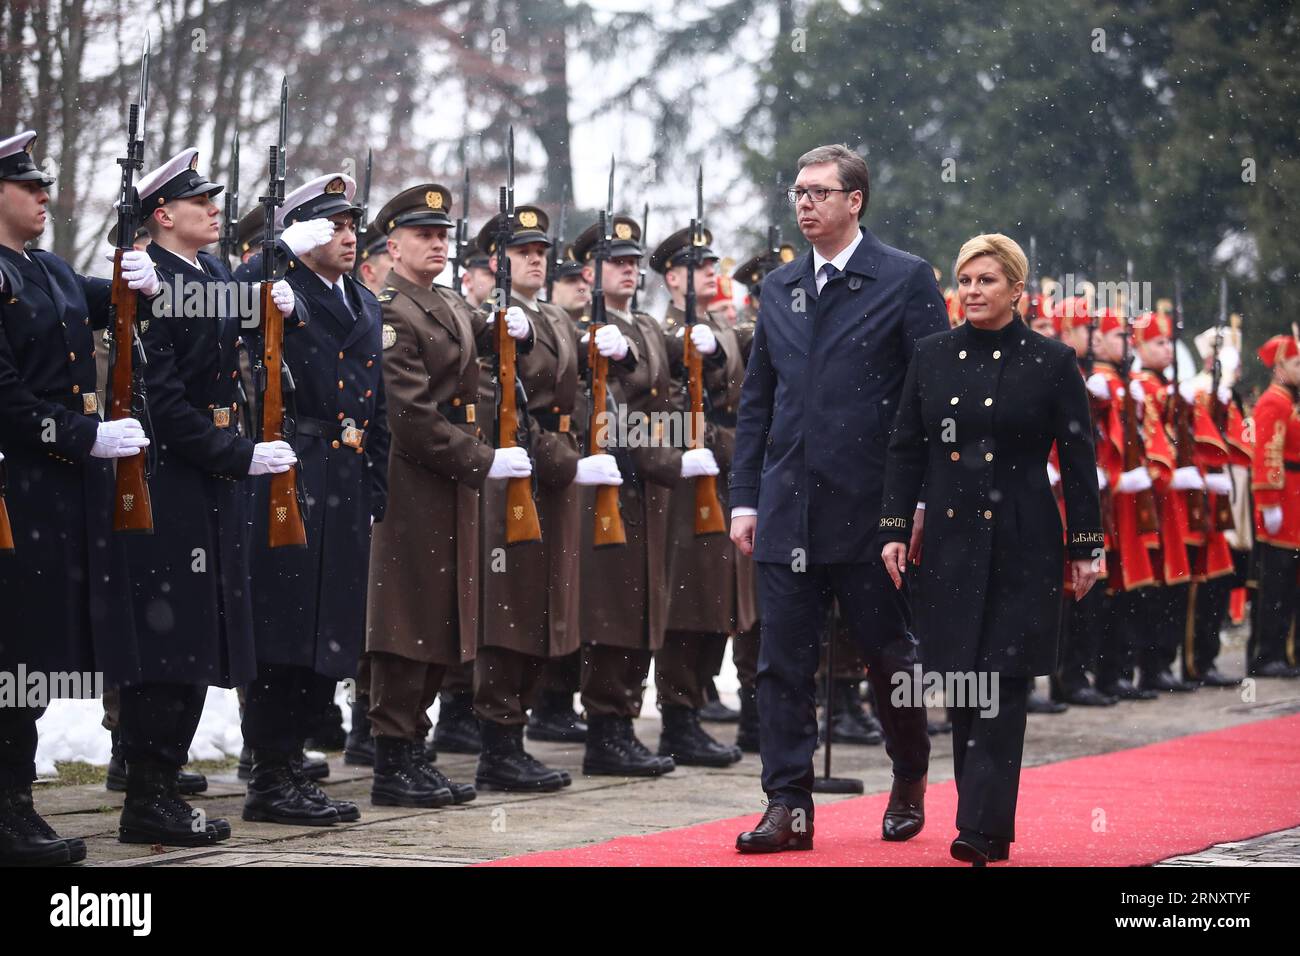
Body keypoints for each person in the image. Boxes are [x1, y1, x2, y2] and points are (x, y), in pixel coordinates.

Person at [730, 144, 943, 853]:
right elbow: (758, 401)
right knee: (780, 662)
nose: (804, 203)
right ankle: (787, 803)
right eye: (798, 192)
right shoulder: (781, 287)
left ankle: (909, 772)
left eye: (820, 192)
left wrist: (917, 504)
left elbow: (931, 402)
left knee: (890, 658)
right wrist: (745, 500)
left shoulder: (905, 279)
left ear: (856, 201)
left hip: (872, 510)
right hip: (789, 505)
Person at [879, 233, 1103, 865]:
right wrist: (895, 526)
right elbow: (905, 449)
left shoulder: (1052, 361)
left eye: (987, 280)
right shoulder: (931, 356)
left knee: (1002, 684)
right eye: (966, 280)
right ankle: (984, 823)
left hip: (1023, 541)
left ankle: (979, 827)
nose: (973, 291)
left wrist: (1087, 545)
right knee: (962, 682)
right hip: (949, 544)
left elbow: (1079, 459)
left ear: (1016, 289)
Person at [0, 131, 148, 864]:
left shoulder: (48, 269)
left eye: (45, 184)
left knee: (34, 651)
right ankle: (7, 806)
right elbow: (4, 396)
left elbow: (120, 304)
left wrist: (152, 280)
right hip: (13, 490)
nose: (44, 196)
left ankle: (15, 802)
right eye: (28, 186)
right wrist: (82, 434)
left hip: (53, 495)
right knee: (12, 652)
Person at [365, 182, 531, 807]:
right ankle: (393, 756)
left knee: (442, 616)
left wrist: (512, 328)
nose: (437, 243)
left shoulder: (445, 301)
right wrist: (484, 460)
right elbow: (409, 415)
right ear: (394, 244)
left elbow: (475, 341)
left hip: (448, 483)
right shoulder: (389, 308)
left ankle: (415, 749)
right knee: (407, 618)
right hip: (412, 483)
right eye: (423, 235)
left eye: (442, 235)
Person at [233, 171, 389, 826]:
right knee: (284, 629)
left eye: (354, 225)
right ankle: (269, 774)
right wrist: (272, 255)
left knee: (331, 630)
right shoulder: (274, 287)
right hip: (292, 475)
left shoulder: (364, 300)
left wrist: (376, 479)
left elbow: (379, 403)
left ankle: (293, 765)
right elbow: (217, 307)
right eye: (335, 225)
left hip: (346, 481)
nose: (349, 237)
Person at [471, 202, 624, 790]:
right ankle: (499, 743)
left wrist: (590, 449)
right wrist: (566, 460)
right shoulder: (489, 319)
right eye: (521, 253)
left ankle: (517, 731)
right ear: (496, 261)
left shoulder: (556, 320)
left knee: (545, 609)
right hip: (514, 477)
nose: (535, 260)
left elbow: (580, 395)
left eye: (540, 252)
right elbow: (500, 406)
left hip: (554, 480)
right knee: (508, 611)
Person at [649, 224, 750, 767]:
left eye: (713, 264)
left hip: (722, 474)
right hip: (687, 480)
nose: (712, 272)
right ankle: (678, 719)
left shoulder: (716, 328)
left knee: (720, 602)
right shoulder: (663, 331)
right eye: (698, 266)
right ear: (671, 277)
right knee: (687, 604)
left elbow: (737, 393)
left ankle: (695, 706)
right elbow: (663, 412)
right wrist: (723, 443)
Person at [1247, 335, 1300, 678]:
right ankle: (1268, 654)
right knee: (1276, 586)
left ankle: (1283, 651)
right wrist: (1268, 501)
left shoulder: (1289, 401)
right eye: (1296, 363)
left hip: (1294, 500)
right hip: (1282, 502)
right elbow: (1267, 454)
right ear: (1279, 367)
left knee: (1288, 584)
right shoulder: (1273, 402)